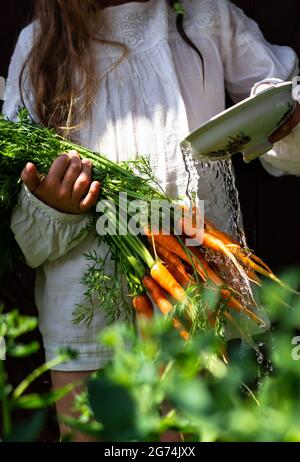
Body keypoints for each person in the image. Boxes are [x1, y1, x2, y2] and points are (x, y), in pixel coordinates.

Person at [3, 0, 300, 440]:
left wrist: (284, 117)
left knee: (202, 433)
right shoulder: (38, 46)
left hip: (202, 306)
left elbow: (282, 99)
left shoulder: (206, 17)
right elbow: (23, 233)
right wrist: (53, 203)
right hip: (87, 330)